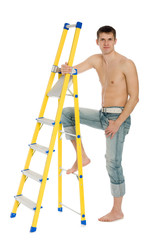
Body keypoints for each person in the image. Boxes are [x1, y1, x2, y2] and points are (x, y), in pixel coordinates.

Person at [60, 26, 139, 222]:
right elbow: (76, 70)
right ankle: (82, 156)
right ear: (97, 41)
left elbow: (135, 97)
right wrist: (67, 69)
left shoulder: (126, 63)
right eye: (102, 39)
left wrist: (118, 123)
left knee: (112, 162)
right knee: (67, 114)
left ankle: (117, 210)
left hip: (118, 118)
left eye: (109, 39)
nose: (106, 43)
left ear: (115, 41)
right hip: (102, 115)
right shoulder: (96, 60)